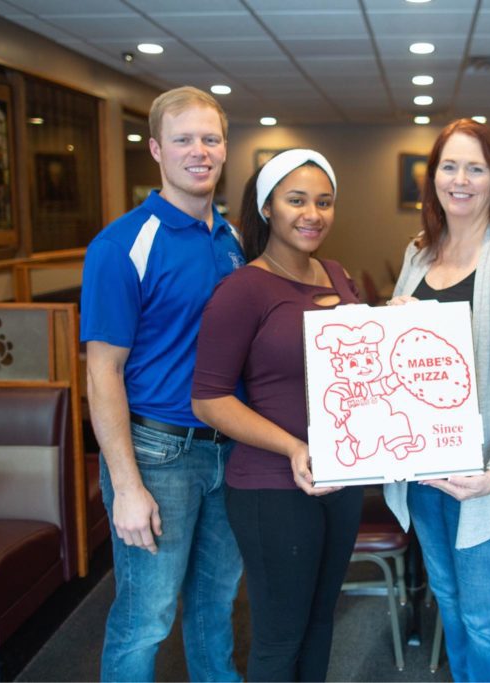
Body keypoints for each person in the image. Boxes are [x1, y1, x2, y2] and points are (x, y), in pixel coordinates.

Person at [383, 119, 490, 682]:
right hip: (425, 473)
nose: (460, 179)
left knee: (485, 617)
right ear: (432, 176)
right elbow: (398, 354)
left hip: (487, 478)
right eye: (449, 166)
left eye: (475, 168)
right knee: (452, 605)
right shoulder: (419, 252)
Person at [80, 86, 245, 682]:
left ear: (225, 148)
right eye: (183, 139)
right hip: (157, 455)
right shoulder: (122, 244)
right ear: (156, 149)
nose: (198, 151)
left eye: (210, 138)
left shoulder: (233, 242)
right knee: (147, 615)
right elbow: (102, 372)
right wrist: (125, 485)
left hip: (229, 451)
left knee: (215, 604)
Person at [191, 150, 363, 682]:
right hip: (273, 487)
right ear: (267, 208)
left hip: (342, 480)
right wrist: (293, 447)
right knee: (279, 637)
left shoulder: (336, 273)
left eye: (324, 201)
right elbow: (209, 399)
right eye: (296, 200)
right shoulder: (243, 289)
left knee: (318, 625)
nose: (312, 213)